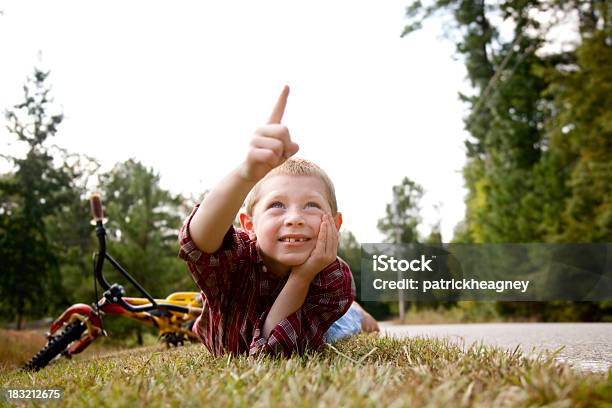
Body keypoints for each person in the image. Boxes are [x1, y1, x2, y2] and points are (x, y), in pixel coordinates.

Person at [178, 86, 378, 357]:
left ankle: (355, 311)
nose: (294, 218)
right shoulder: (236, 257)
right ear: (249, 225)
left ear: (335, 223)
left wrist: (304, 275)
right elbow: (196, 243)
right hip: (226, 323)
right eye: (276, 205)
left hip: (318, 321)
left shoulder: (333, 277)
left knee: (344, 328)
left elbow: (273, 349)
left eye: (311, 205)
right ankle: (353, 310)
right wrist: (246, 173)